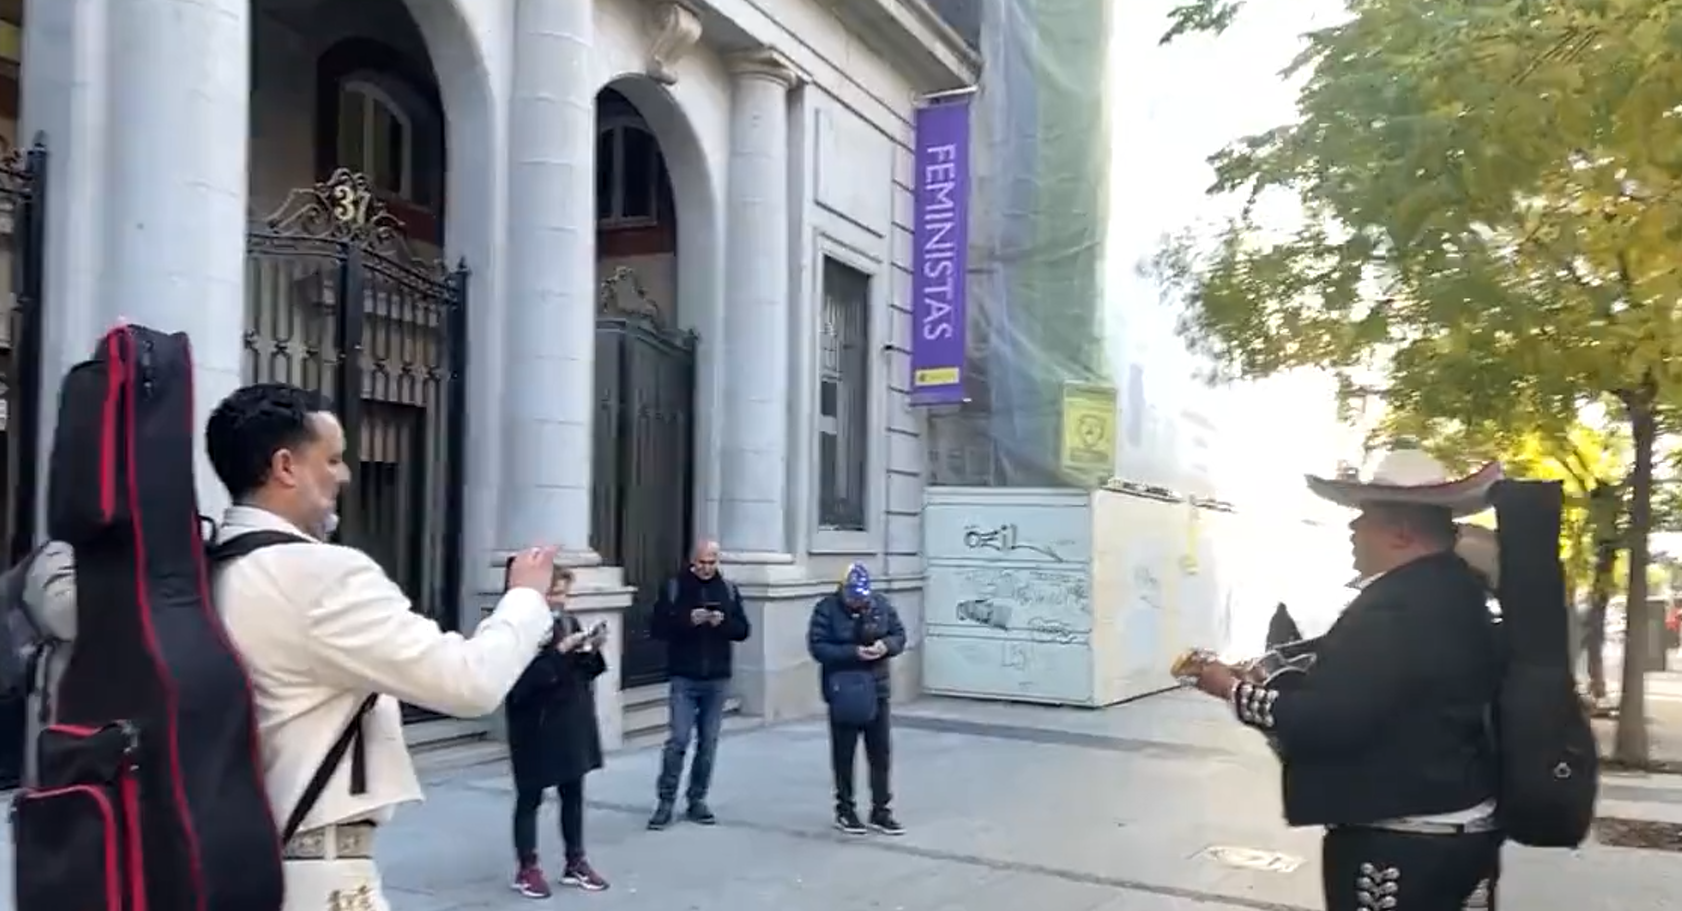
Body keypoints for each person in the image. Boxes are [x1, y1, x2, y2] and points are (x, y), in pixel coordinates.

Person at [205, 382, 558, 911]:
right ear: (285, 467)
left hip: (230, 860)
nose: (345, 475)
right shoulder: (319, 574)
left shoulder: (207, 568)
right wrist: (526, 599)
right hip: (316, 875)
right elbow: (470, 682)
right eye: (334, 458)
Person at [1182, 448, 1505, 911]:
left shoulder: (1399, 608)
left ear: (1402, 531)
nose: (1353, 530)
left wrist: (1230, 689)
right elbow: (1383, 701)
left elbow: (1331, 721)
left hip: (1401, 845)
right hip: (1456, 831)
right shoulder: (1453, 594)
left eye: (1364, 517)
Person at [506, 565, 610, 898]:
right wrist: (559, 653)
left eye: (564, 594)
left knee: (573, 792)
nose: (559, 601)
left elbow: (581, 674)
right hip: (534, 725)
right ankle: (527, 867)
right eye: (554, 593)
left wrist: (591, 651)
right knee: (530, 796)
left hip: (571, 720)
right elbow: (519, 684)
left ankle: (575, 860)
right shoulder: (517, 629)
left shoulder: (568, 622)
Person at [646, 540, 751, 829]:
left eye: (712, 562)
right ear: (692, 561)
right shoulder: (675, 588)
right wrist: (687, 619)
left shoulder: (728, 590)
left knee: (708, 743)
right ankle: (665, 801)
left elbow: (743, 630)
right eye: (702, 562)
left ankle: (697, 799)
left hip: (717, 677)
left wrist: (723, 622)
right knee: (678, 740)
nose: (707, 568)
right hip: (684, 675)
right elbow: (656, 627)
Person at [807, 562, 906, 836]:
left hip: (877, 688)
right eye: (853, 598)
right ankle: (845, 809)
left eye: (862, 598)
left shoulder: (880, 605)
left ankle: (881, 810)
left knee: (880, 753)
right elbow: (818, 647)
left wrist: (885, 646)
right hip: (844, 689)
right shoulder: (826, 609)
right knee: (844, 753)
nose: (858, 603)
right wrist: (854, 652)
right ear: (842, 591)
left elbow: (899, 634)